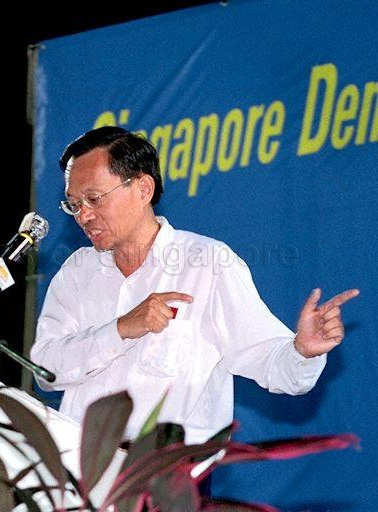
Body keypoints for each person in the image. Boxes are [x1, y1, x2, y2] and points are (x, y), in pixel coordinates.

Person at [30, 126, 359, 447]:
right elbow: (45, 369)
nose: (83, 215)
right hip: (79, 468)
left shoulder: (208, 264)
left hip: (167, 478)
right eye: (73, 203)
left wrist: (303, 351)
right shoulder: (77, 270)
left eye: (94, 199)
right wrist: (119, 330)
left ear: (143, 189)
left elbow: (273, 365)